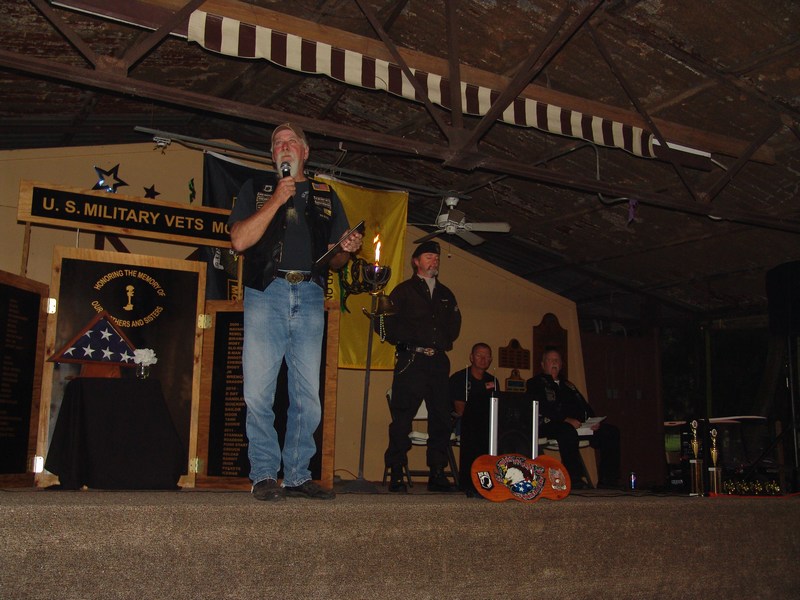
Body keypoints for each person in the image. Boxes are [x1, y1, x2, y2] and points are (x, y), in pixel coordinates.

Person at [229, 123, 363, 502]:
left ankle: (298, 474)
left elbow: (335, 261)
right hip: (265, 293)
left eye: (291, 142)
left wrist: (346, 248)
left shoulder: (325, 195)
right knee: (259, 391)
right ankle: (264, 474)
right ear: (273, 155)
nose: (284, 147)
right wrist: (277, 198)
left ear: (305, 152)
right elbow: (239, 240)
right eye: (277, 143)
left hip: (310, 294)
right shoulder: (256, 188)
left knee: (307, 395)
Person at [380, 240, 462, 492]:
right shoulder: (403, 291)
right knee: (402, 419)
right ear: (416, 261)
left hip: (438, 362)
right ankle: (396, 472)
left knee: (441, 418)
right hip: (412, 361)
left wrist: (441, 340)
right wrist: (407, 340)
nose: (434, 261)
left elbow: (455, 325)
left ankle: (437, 473)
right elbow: (384, 324)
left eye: (436, 258)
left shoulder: (446, 294)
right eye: (428, 257)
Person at [526, 347, 621, 489]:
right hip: (550, 425)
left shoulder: (568, 385)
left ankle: (608, 480)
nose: (554, 363)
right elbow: (543, 408)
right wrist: (565, 419)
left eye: (557, 360)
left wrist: (592, 421)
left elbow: (583, 406)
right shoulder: (535, 383)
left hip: (577, 426)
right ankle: (574, 478)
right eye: (550, 360)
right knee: (567, 430)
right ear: (543, 364)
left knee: (611, 432)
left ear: (561, 364)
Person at [448, 342, 498, 496]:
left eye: (487, 356)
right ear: (471, 357)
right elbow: (460, 410)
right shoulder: (459, 378)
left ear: (491, 360)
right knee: (476, 428)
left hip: (487, 423)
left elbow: (497, 407)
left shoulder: (493, 381)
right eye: (479, 355)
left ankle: (497, 478)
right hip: (463, 422)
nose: (483, 359)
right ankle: (470, 481)